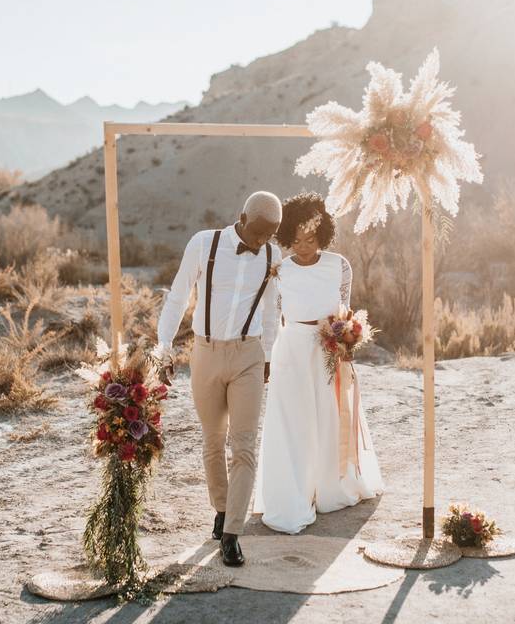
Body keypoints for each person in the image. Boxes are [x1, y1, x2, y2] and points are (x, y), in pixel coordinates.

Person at [156, 191, 283, 566]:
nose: (260, 243)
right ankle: (222, 509)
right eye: (257, 233)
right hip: (205, 353)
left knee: (244, 446)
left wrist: (269, 356)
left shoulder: (273, 256)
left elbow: (273, 310)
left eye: (269, 236)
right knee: (213, 441)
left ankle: (232, 534)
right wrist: (164, 345)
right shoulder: (203, 244)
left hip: (248, 354)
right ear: (240, 217)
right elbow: (178, 297)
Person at [254, 191, 383, 534]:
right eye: (295, 240)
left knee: (329, 417)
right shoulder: (280, 270)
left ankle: (328, 489)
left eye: (310, 238)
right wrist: (266, 358)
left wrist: (346, 337)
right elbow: (271, 319)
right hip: (292, 350)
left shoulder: (339, 265)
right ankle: (294, 493)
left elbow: (345, 309)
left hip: (328, 350)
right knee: (293, 422)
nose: (303, 246)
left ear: (323, 233)